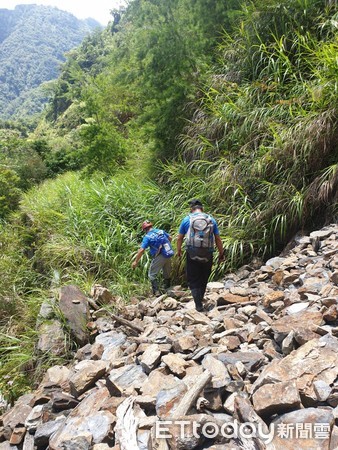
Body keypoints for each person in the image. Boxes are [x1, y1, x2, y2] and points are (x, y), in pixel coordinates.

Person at [177, 199, 224, 311]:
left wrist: (179, 250)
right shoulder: (211, 219)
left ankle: (198, 304)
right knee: (204, 276)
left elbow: (179, 238)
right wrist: (221, 253)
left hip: (192, 252)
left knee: (193, 278)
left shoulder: (187, 219)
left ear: (191, 209)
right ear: (202, 208)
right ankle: (200, 298)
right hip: (207, 252)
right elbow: (217, 238)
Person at [132, 220, 173, 296]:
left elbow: (141, 250)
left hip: (160, 256)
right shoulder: (160, 231)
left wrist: (135, 261)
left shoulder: (147, 237)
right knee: (167, 274)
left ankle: (156, 292)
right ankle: (168, 290)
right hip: (168, 254)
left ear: (144, 230)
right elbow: (170, 238)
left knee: (152, 274)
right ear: (151, 226)